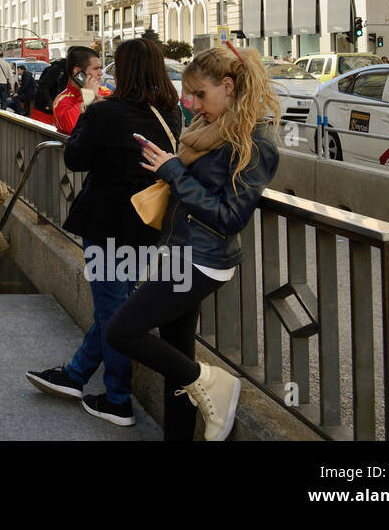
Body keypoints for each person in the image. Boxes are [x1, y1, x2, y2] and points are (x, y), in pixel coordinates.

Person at [105, 43, 280, 442]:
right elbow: (200, 188)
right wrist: (170, 167)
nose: (194, 105)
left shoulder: (256, 140)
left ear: (229, 86)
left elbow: (231, 216)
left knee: (121, 332)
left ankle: (213, 381)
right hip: (179, 252)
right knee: (176, 359)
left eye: (201, 94)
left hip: (202, 261)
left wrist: (175, 172)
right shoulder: (211, 131)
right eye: (191, 95)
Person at [26, 38, 183, 427]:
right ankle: (75, 375)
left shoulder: (106, 112)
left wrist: (90, 106)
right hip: (148, 223)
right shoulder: (170, 112)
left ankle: (117, 400)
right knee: (116, 303)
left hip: (107, 224)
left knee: (112, 310)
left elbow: (75, 157)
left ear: (124, 71)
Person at [52, 46, 110, 135]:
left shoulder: (106, 92)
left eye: (100, 68)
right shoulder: (61, 101)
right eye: (95, 68)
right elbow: (73, 128)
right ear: (78, 72)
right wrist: (88, 96)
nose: (100, 73)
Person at [32, 58, 67, 123]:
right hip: (44, 109)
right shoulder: (57, 70)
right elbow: (43, 87)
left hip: (52, 108)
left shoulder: (64, 70)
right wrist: (50, 103)